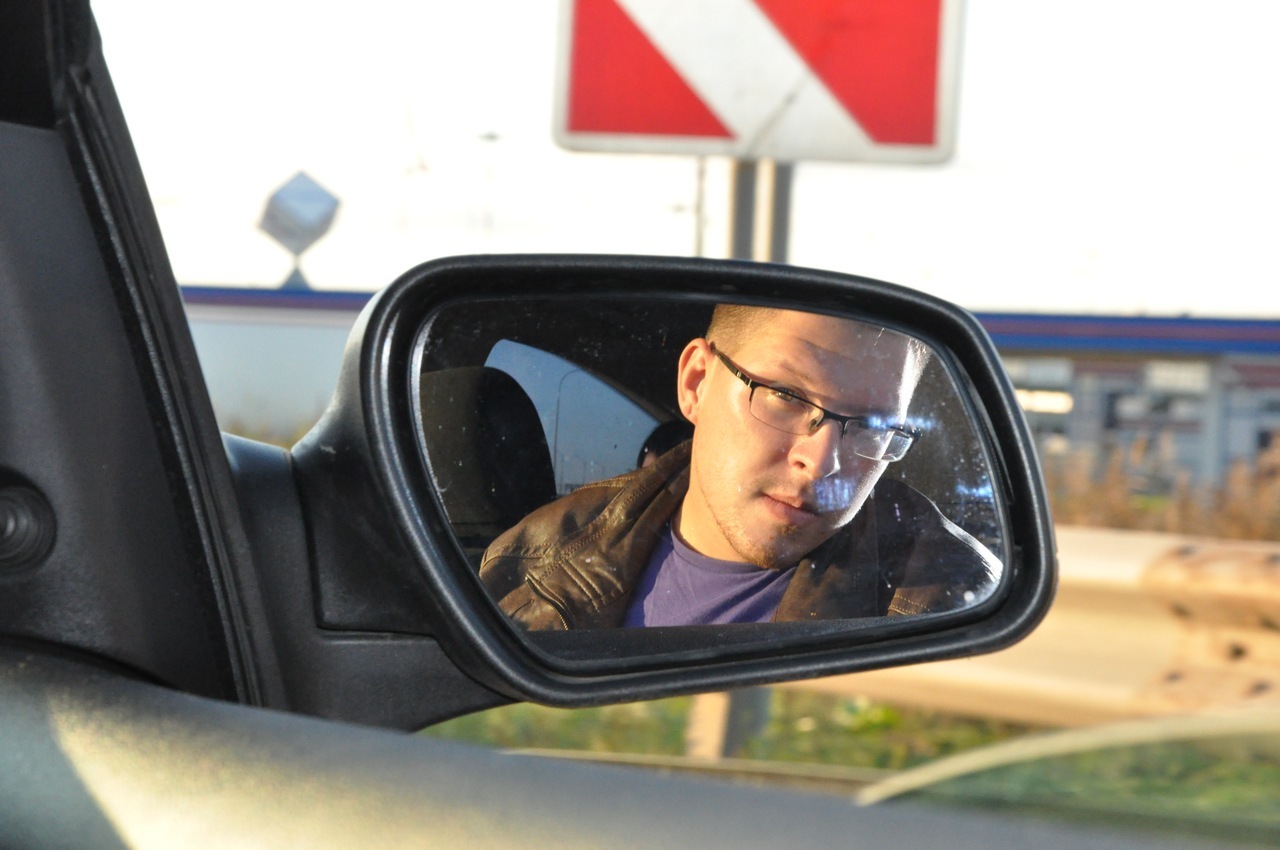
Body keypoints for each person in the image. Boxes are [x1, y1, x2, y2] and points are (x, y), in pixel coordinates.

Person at [479, 305, 1000, 630]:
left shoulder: (947, 602)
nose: (821, 462)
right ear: (697, 383)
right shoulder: (533, 558)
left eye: (873, 425)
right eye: (785, 395)